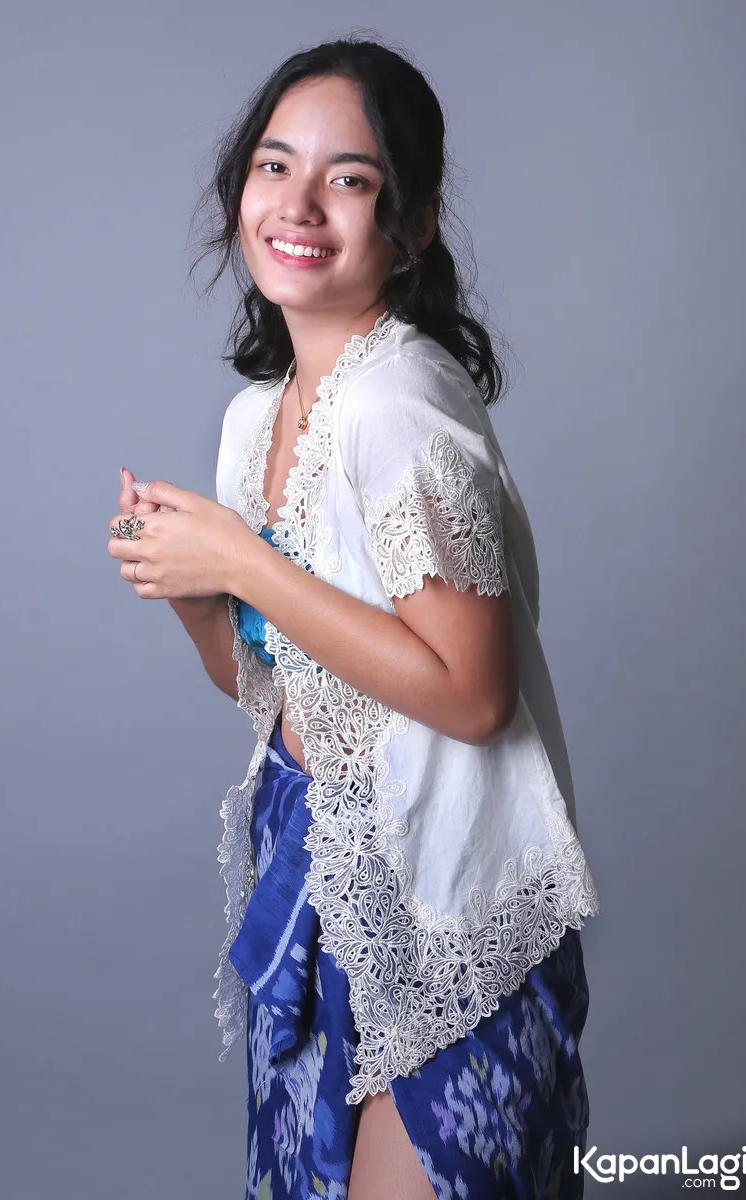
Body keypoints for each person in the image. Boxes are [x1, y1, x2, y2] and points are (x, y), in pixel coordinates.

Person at [108, 36, 600, 1200]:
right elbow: (274, 684)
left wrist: (240, 557)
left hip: (444, 895)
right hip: (319, 868)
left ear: (414, 221)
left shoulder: (398, 404)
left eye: (351, 178)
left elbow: (472, 696)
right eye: (275, 166)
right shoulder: (257, 417)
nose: (299, 204)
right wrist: (192, 588)